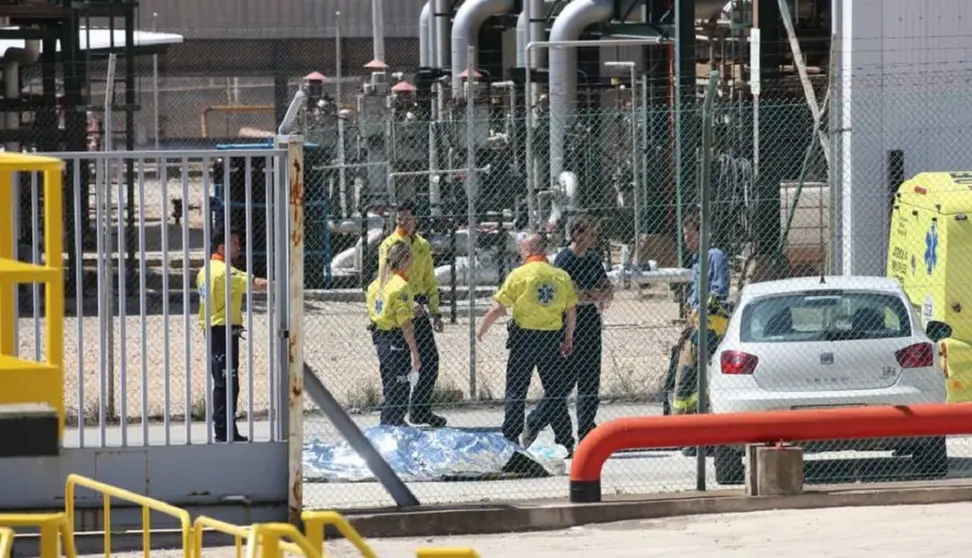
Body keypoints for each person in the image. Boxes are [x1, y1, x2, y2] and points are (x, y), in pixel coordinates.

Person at [477, 234, 578, 453]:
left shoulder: (519, 275)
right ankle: (565, 441)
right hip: (550, 339)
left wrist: (482, 329)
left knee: (516, 389)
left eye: (522, 250)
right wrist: (569, 337)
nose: (520, 254)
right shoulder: (561, 276)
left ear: (529, 251)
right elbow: (571, 310)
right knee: (554, 392)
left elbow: (498, 307)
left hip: (524, 339)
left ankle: (511, 438)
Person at [376, 200, 448, 427]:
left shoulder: (422, 245)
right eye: (399, 218)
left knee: (430, 361)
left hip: (419, 307)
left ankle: (420, 410)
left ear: (416, 220)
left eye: (407, 218)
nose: (402, 222)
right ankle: (393, 417)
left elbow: (429, 279)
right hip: (400, 307)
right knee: (399, 366)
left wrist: (435, 311)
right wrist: (404, 306)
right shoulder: (390, 244)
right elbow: (383, 279)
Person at [196, 231, 268, 442]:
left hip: (213, 330)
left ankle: (226, 429)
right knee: (227, 382)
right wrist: (287, 285)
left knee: (223, 381)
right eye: (234, 243)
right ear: (221, 248)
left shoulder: (204, 271)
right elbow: (258, 284)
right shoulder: (223, 272)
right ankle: (223, 431)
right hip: (222, 330)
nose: (238, 247)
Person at [670, 211, 731, 455]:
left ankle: (700, 437)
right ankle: (690, 434)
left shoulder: (714, 256)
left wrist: (701, 312)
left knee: (696, 378)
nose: (687, 240)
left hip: (710, 327)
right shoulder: (696, 262)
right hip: (696, 326)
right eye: (685, 235)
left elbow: (719, 291)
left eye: (690, 235)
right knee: (688, 380)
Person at [555, 213, 614, 445]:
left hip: (591, 324)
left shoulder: (593, 259)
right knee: (566, 382)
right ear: (577, 234)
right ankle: (538, 420)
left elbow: (606, 288)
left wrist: (589, 294)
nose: (594, 238)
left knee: (590, 381)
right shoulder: (564, 261)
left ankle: (587, 432)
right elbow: (570, 294)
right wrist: (590, 294)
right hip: (571, 328)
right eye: (590, 234)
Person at [367, 242, 423, 426]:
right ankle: (391, 423)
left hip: (380, 336)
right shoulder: (400, 286)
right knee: (399, 384)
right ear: (405, 260)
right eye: (411, 258)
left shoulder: (376, 284)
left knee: (389, 380)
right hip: (394, 338)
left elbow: (382, 311)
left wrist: (410, 308)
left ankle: (394, 421)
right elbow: (405, 324)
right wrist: (415, 353)